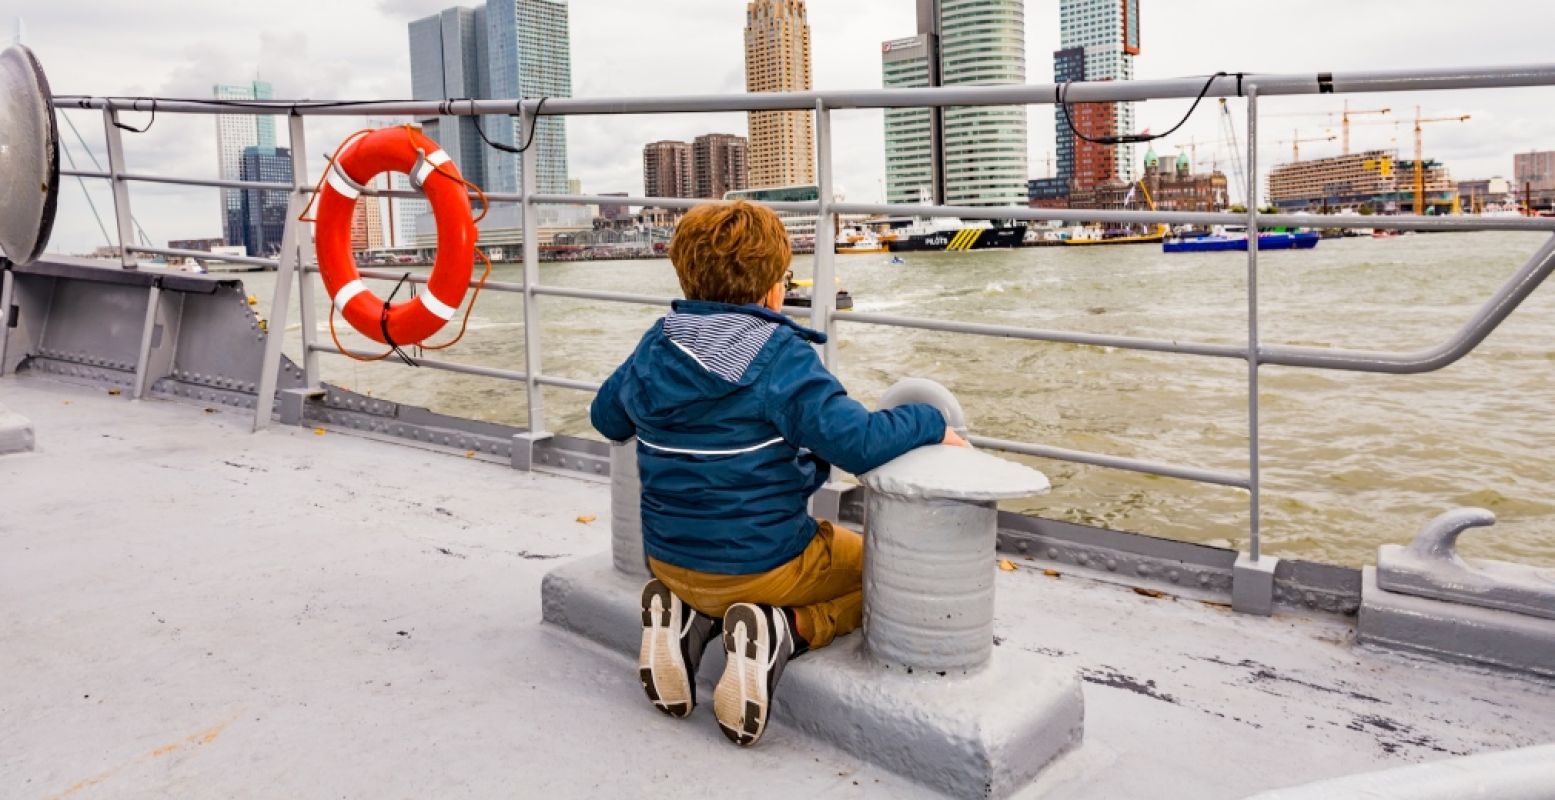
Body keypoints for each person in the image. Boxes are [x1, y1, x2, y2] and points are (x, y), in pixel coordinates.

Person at [590, 201, 966, 746]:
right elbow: (857, 443)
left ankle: (688, 619)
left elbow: (606, 419)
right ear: (772, 287)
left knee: (720, 573)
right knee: (881, 576)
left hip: (669, 560)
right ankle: (781, 631)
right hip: (765, 565)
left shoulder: (656, 344)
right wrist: (929, 421)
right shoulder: (780, 356)